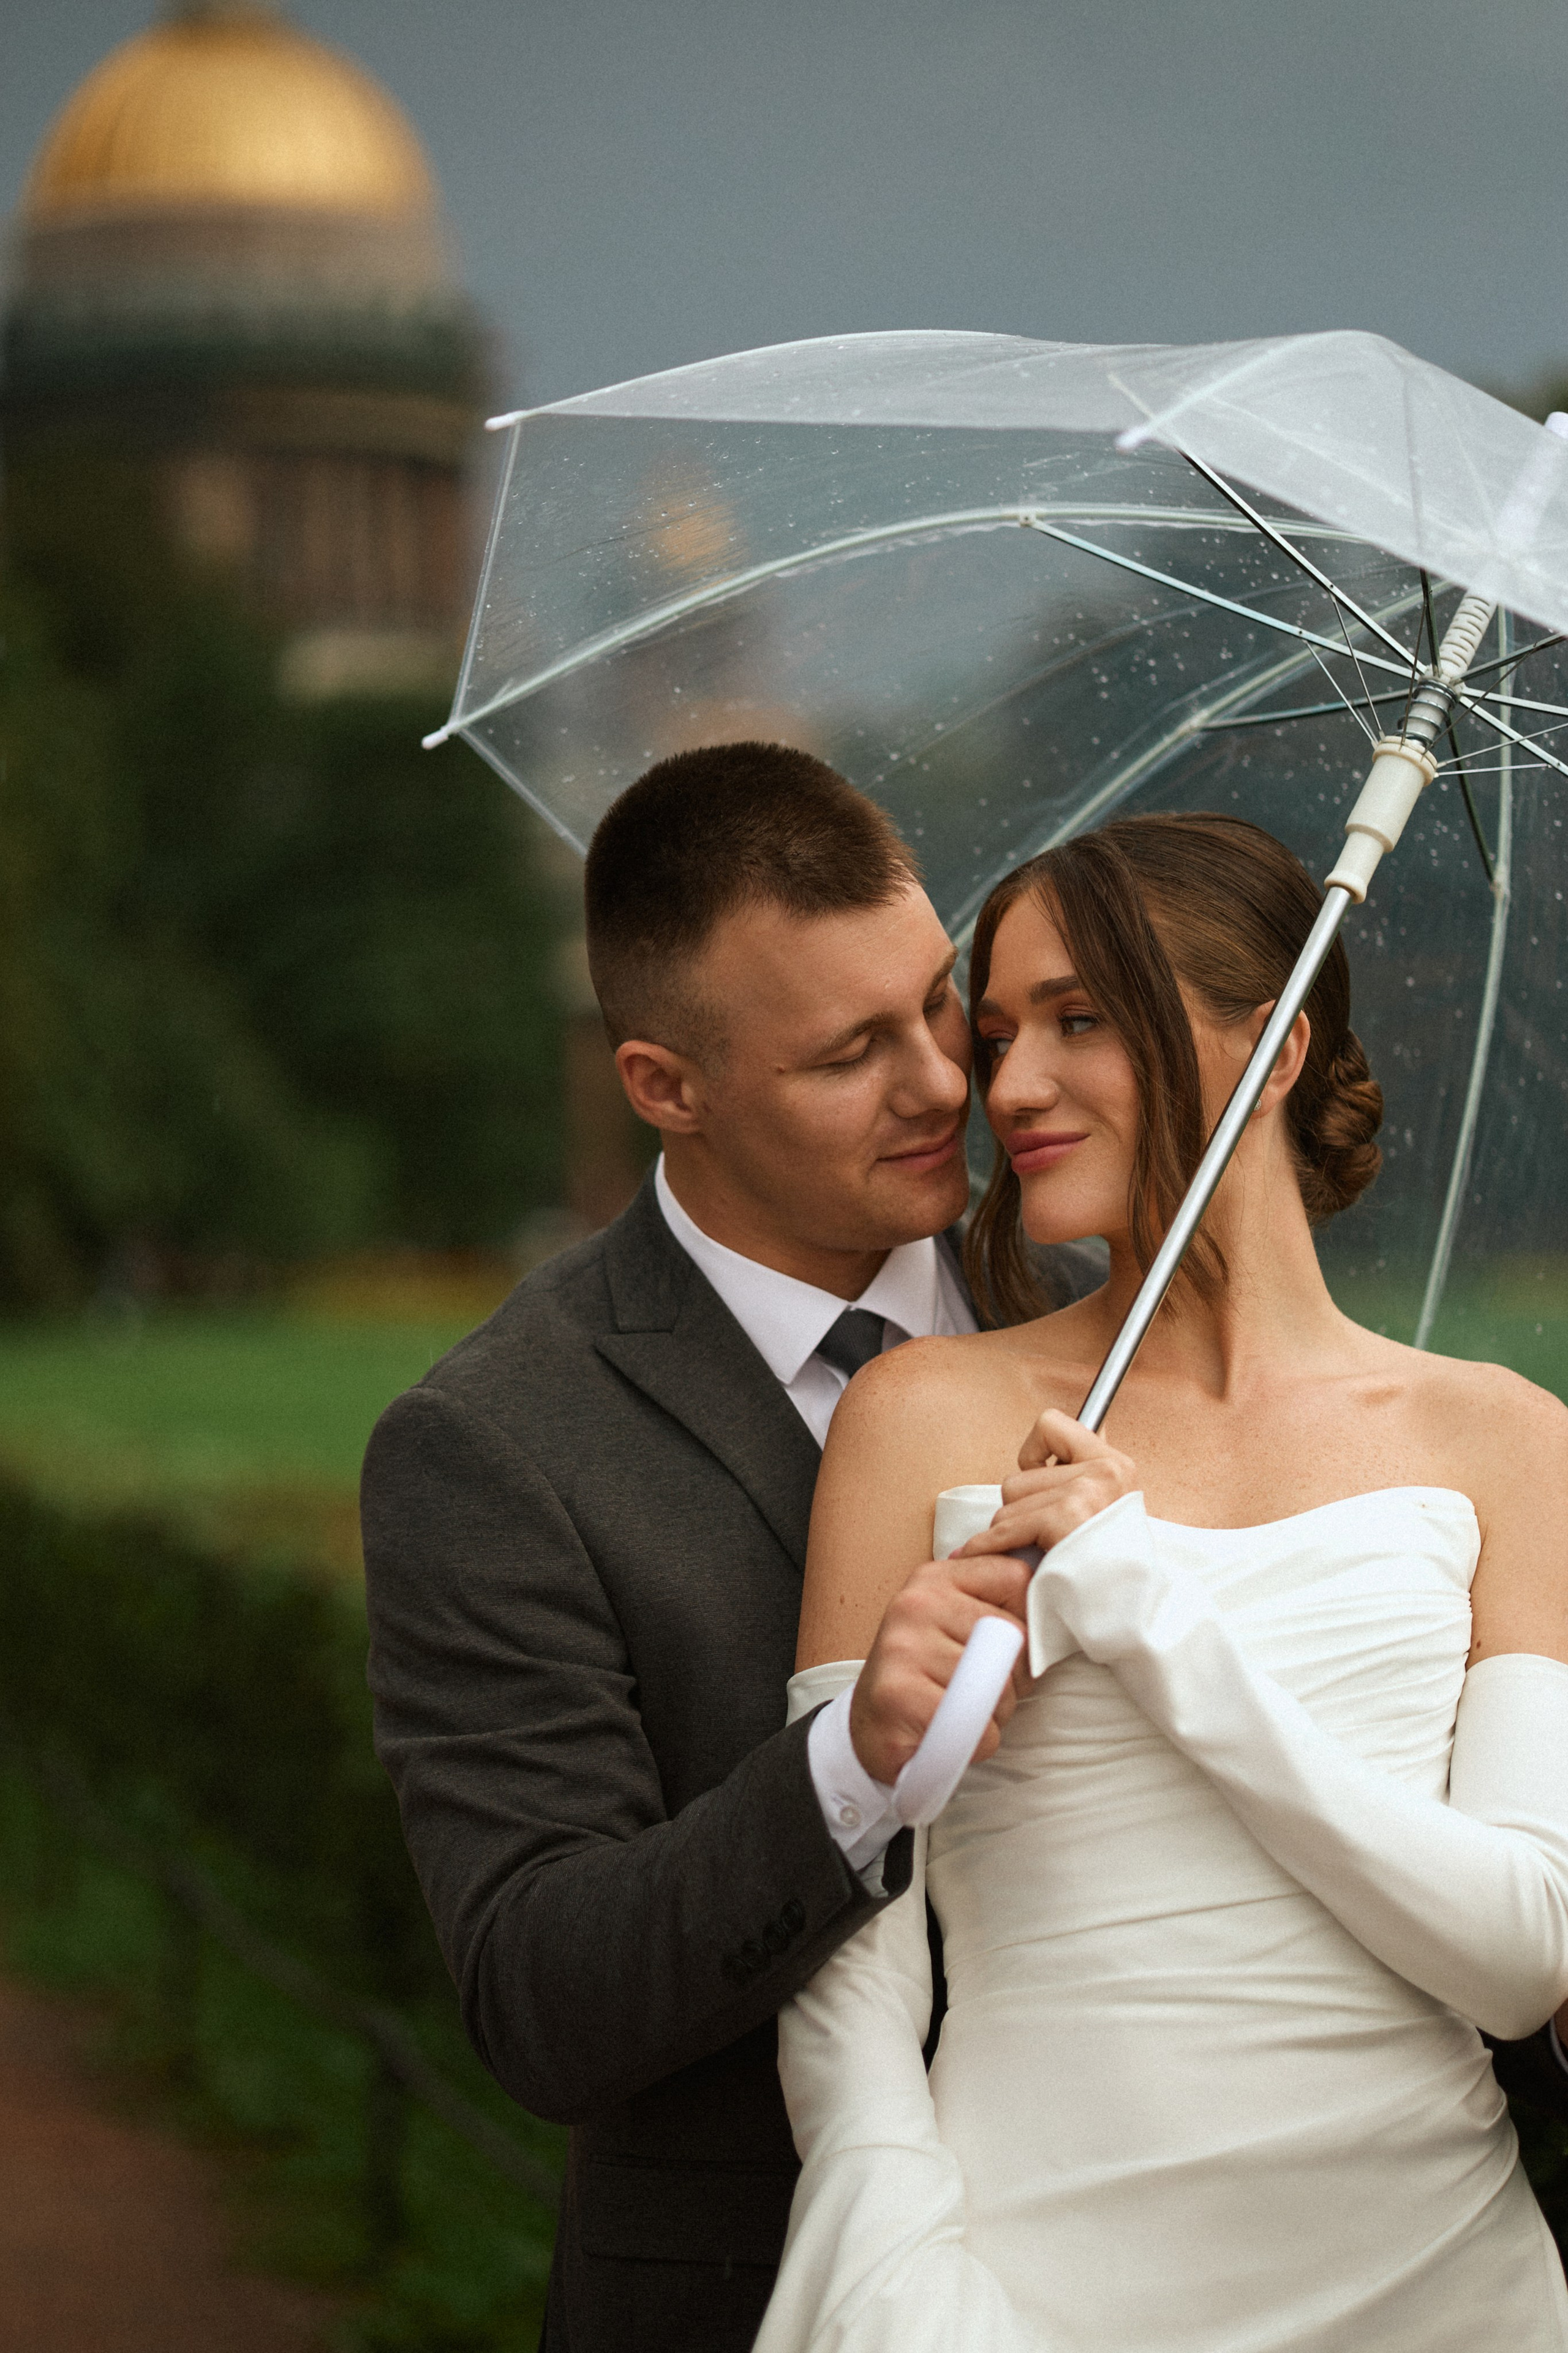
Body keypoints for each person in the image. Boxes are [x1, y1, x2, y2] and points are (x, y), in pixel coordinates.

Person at [760, 812, 1568, 2352]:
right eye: (996, 1032)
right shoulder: (913, 1416)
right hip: (1017, 2296)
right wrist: (891, 2264)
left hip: (1435, 2293)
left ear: (1265, 1056)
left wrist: (1148, 1616)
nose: (1007, 1088)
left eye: (1080, 1021)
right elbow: (843, 1922)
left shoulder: (1503, 1442)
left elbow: (1521, 1955)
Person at [360, 743, 1099, 2353]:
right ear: (663, 1085)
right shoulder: (493, 1444)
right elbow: (543, 1997)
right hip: (748, 2296)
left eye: (937, 1002)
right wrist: (852, 1766)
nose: (943, 1083)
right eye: (849, 1053)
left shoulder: (1117, 1317)